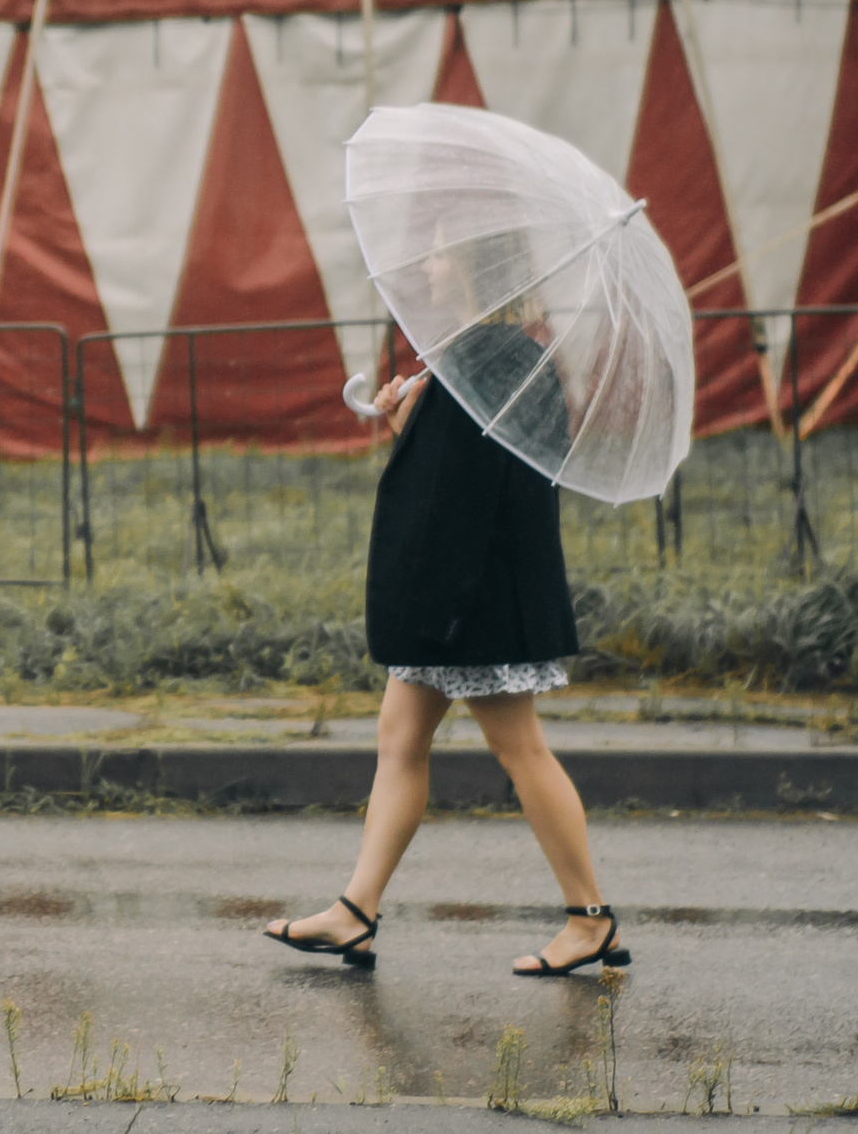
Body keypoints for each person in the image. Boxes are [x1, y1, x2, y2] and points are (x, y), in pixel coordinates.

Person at [262, 237, 628, 978]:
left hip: (474, 601)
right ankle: (355, 912)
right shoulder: (487, 357)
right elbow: (461, 470)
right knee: (400, 739)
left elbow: (458, 493)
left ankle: (589, 917)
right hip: (459, 596)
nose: (425, 266)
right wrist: (412, 423)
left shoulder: (491, 361)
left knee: (520, 748)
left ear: (472, 268)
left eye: (436, 255)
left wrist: (416, 429)